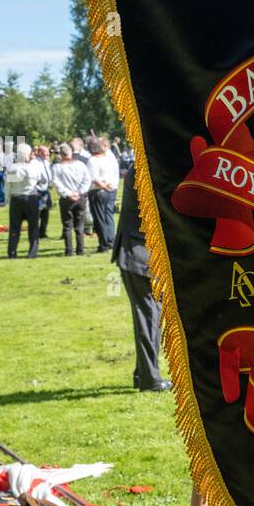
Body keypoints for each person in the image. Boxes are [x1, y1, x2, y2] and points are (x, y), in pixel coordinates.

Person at [111, 164, 171, 391]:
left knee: (151, 315)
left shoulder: (144, 166)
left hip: (139, 254)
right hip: (139, 256)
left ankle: (143, 373)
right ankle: (150, 379)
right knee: (149, 316)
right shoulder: (146, 170)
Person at [5, 143, 45, 258]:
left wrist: (8, 198)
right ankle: (32, 252)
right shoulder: (33, 167)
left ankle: (12, 252)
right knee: (33, 226)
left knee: (14, 227)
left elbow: (8, 186)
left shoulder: (12, 168)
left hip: (16, 198)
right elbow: (42, 180)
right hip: (30, 197)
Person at [51, 143, 92, 255]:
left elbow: (56, 182)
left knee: (67, 225)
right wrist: (79, 192)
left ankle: (69, 250)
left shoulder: (57, 167)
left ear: (60, 154)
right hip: (80, 197)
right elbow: (87, 180)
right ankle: (81, 249)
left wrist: (68, 193)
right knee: (80, 225)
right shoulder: (81, 165)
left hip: (66, 199)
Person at [87, 137, 119, 252]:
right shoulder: (108, 159)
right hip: (108, 189)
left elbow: (94, 178)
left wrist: (103, 186)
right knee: (107, 216)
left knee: (99, 219)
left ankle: (104, 244)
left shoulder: (92, 160)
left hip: (98, 191)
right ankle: (110, 240)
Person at [35, 145, 53, 238]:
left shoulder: (47, 162)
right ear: (39, 152)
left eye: (48, 152)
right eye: (46, 152)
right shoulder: (35, 162)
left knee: (46, 211)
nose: (48, 153)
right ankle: (36, 232)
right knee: (38, 211)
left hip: (45, 189)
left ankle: (43, 232)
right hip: (37, 189)